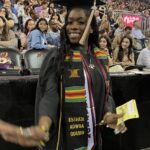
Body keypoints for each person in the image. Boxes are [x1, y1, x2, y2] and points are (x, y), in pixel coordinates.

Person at [0, 0, 127, 150]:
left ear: (91, 28)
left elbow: (107, 93)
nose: (73, 26)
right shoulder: (58, 56)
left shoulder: (100, 57)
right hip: (67, 141)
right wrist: (43, 126)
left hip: (94, 141)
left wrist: (108, 114)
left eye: (81, 22)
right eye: (70, 22)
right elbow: (50, 95)